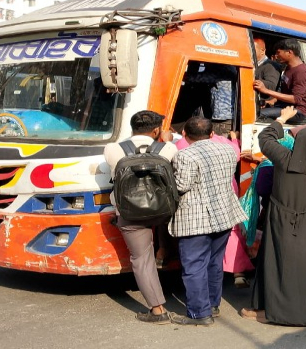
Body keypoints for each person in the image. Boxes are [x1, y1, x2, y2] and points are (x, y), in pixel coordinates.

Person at [241, 106, 306, 326]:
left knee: (283, 269)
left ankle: (278, 313)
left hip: (285, 225)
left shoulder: (285, 159)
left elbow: (265, 137)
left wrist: (282, 119)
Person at [167, 117, 247, 326]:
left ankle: (199, 313)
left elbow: (182, 185)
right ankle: (212, 305)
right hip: (224, 215)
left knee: (194, 266)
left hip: (196, 219)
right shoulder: (228, 150)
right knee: (214, 262)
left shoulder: (184, 155)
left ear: (184, 134)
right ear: (212, 134)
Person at [103, 110, 177, 324]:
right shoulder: (168, 148)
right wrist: (166, 139)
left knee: (142, 259)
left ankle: (158, 310)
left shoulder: (113, 149)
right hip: (163, 211)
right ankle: (165, 254)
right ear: (156, 130)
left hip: (130, 212)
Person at [175, 130, 253, 288]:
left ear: (184, 132)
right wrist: (234, 138)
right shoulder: (225, 144)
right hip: (227, 188)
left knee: (198, 252)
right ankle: (238, 272)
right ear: (211, 133)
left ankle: (201, 300)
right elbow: (237, 155)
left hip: (199, 201)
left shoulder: (182, 144)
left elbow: (181, 182)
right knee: (231, 231)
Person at [254, 39, 306, 124]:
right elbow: (284, 91)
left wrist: (266, 90)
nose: (277, 56)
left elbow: (296, 99)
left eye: (279, 52)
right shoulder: (288, 67)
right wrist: (272, 101)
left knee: (259, 114)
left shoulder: (301, 71)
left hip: (297, 111)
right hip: (284, 106)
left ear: (289, 52)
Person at [253, 38, 281, 110]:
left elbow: (272, 86)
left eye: (252, 49)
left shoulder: (270, 66)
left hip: (264, 108)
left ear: (262, 51)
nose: (249, 51)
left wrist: (251, 80)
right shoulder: (252, 64)